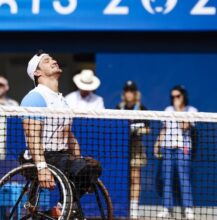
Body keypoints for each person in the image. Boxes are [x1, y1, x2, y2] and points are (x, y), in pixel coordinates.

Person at [20, 52, 102, 217]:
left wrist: (83, 172)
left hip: (61, 156)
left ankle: (59, 209)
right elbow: (32, 138)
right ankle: (58, 210)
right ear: (37, 73)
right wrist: (42, 168)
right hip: (41, 157)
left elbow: (68, 135)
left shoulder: (62, 100)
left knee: (93, 167)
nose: (54, 61)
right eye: (47, 60)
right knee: (85, 168)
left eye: (53, 58)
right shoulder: (35, 98)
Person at [154, 85, 196, 219]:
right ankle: (167, 208)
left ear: (184, 96)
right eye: (173, 97)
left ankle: (188, 209)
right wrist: (157, 144)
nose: (175, 99)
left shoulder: (192, 110)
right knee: (167, 178)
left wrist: (178, 110)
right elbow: (164, 129)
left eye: (177, 96)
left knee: (184, 178)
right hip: (167, 148)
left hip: (183, 149)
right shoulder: (167, 110)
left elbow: (184, 127)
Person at [116, 80, 150, 219]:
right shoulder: (119, 107)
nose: (129, 94)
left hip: (136, 148)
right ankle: (123, 206)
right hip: (121, 149)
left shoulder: (141, 108)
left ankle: (134, 208)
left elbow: (148, 128)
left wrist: (139, 130)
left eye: (131, 91)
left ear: (135, 93)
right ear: (124, 93)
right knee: (122, 179)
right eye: (127, 91)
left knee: (135, 178)